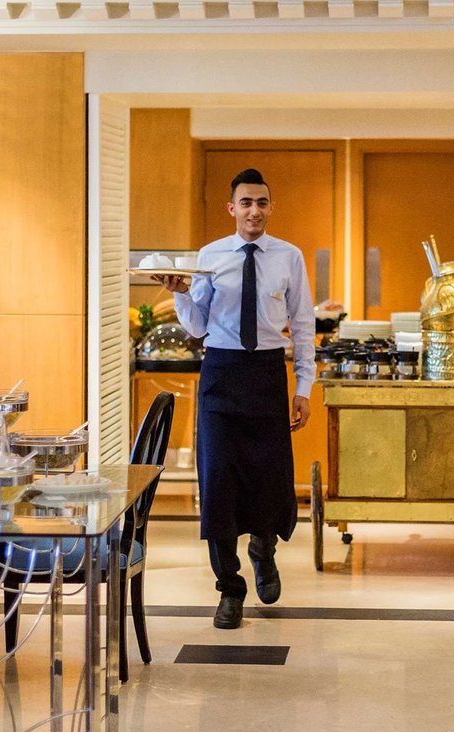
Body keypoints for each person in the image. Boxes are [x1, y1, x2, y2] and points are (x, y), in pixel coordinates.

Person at [152, 168, 315, 629]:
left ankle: (264, 548)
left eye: (261, 203)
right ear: (232, 208)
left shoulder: (289, 257)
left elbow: (303, 325)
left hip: (267, 374)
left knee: (268, 479)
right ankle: (229, 587)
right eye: (246, 203)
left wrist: (303, 388)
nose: (254, 211)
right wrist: (182, 295)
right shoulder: (211, 256)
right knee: (218, 483)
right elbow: (197, 325)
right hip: (220, 374)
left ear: (270, 207)